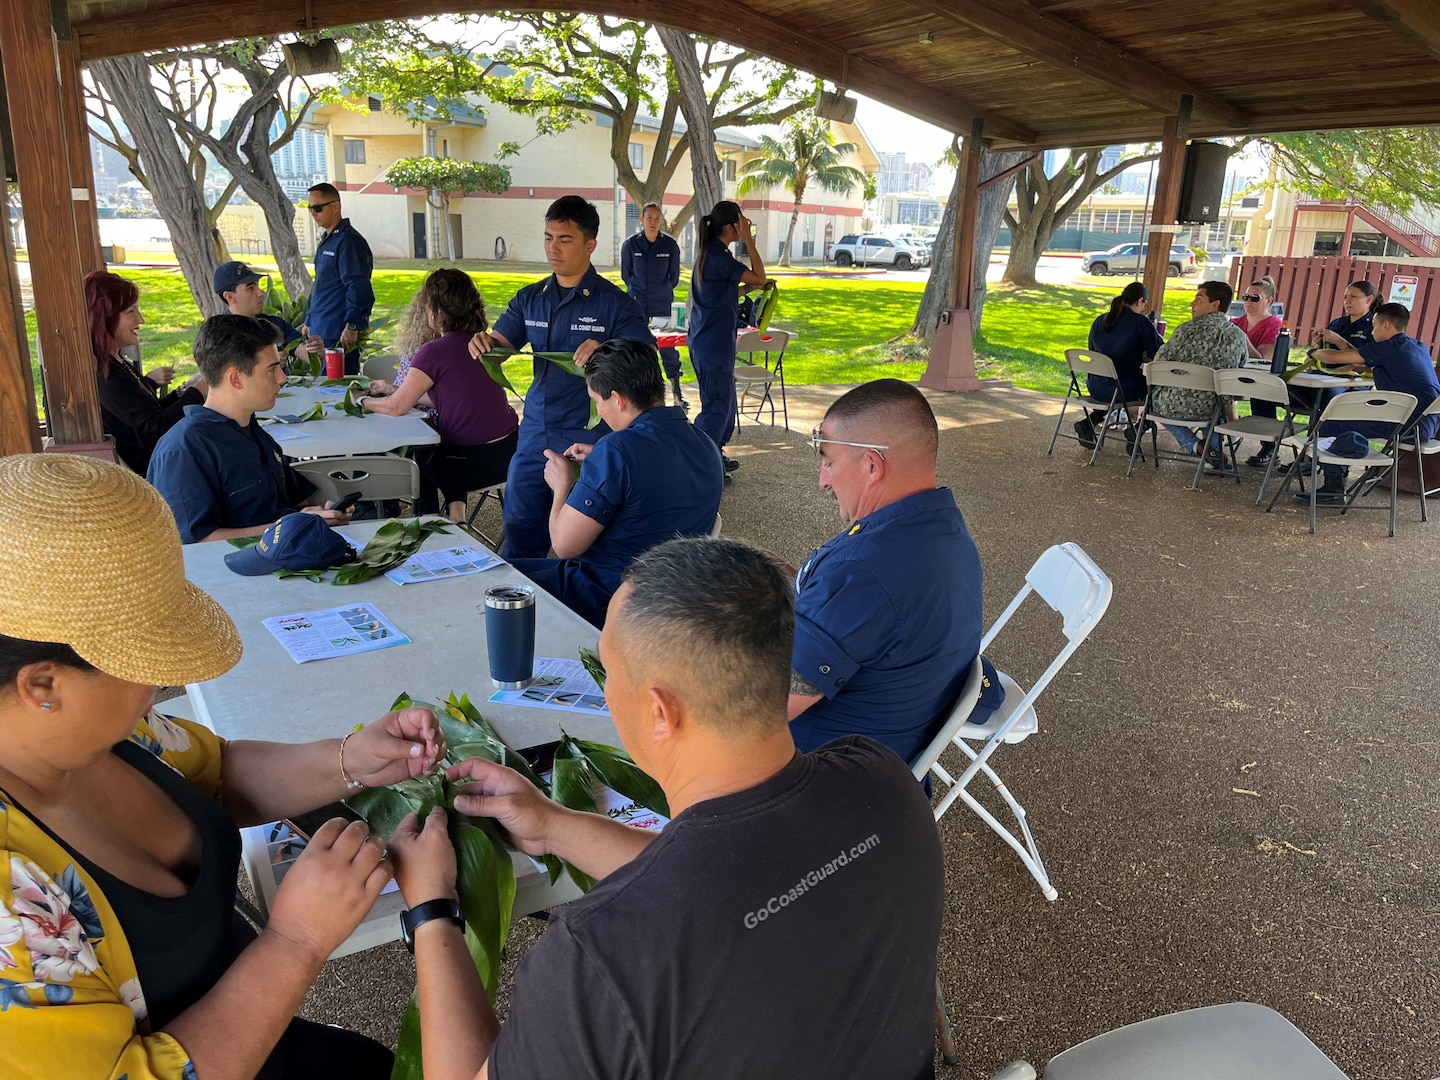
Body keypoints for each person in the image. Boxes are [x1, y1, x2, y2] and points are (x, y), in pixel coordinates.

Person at [385, 536, 945, 1080]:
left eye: (609, 675)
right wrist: (554, 825)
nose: (607, 694)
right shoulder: (881, 780)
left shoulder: (604, 954)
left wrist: (432, 908)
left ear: (659, 711)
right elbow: (721, 883)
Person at [0, 452, 446, 1080]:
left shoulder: (100, 727)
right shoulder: (10, 905)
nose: (165, 681)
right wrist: (296, 942)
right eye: (143, 660)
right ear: (43, 684)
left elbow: (215, 772)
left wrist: (350, 758)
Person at [786, 379, 985, 766]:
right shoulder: (944, 532)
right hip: (886, 773)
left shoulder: (862, 573)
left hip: (816, 786)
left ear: (872, 465)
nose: (823, 480)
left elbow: (755, 716)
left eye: (828, 460)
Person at [466, 195, 651, 560]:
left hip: (593, 438)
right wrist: (484, 345)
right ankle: (525, 606)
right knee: (520, 525)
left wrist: (607, 349)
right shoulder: (530, 299)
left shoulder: (617, 305)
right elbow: (500, 347)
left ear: (590, 244)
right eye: (549, 237)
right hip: (537, 434)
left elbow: (644, 363)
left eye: (565, 239)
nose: (554, 247)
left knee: (589, 539)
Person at [508, 338, 724, 627]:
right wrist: (603, 460)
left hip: (606, 596)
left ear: (618, 399)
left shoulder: (617, 450)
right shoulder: (705, 443)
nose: (600, 411)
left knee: (495, 578)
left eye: (597, 403)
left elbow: (564, 545)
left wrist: (563, 485)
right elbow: (656, 471)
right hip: (673, 597)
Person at [148, 314, 353, 543]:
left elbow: (294, 501)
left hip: (289, 556)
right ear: (236, 379)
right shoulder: (184, 450)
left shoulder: (251, 429)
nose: (282, 378)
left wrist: (319, 515)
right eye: (271, 369)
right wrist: (288, 527)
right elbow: (194, 542)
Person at [360, 269, 519, 522]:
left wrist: (362, 400)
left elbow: (395, 408)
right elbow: (455, 397)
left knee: (422, 452)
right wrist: (395, 390)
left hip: (467, 465)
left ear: (435, 312)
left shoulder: (432, 351)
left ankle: (432, 522)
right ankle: (457, 516)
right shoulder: (482, 345)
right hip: (511, 456)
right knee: (445, 441)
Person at [1304, 302, 1440, 504]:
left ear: (1386, 325)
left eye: (1374, 326)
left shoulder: (1389, 347)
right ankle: (1343, 468)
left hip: (1408, 425)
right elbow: (1390, 369)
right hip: (1426, 423)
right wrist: (1358, 368)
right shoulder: (1416, 346)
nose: (1372, 331)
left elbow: (1334, 357)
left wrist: (1313, 353)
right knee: (1344, 420)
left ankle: (1333, 489)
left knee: (1330, 424)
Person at [87, 270, 206, 475]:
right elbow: (159, 428)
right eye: (131, 312)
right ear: (105, 316)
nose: (140, 320)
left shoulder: (114, 361)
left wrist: (183, 391)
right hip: (155, 472)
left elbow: (150, 413)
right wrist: (198, 393)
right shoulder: (106, 375)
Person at [688, 200, 768, 476]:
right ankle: (699, 461)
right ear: (731, 227)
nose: (745, 225)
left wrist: (745, 288)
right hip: (712, 345)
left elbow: (723, 293)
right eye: (741, 221)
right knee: (717, 408)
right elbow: (759, 277)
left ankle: (714, 454)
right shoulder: (720, 257)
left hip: (709, 342)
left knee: (724, 405)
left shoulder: (711, 254)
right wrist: (749, 240)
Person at [1150, 280, 1248, 465]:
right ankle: (1213, 458)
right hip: (1216, 407)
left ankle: (1196, 446)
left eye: (1198, 299)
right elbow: (1240, 368)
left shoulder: (1185, 330)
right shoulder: (1239, 335)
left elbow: (1157, 365)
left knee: (1153, 401)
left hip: (1174, 405)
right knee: (1219, 402)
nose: (1191, 304)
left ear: (1215, 304)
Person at [1076, 280, 1163, 450]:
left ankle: (1089, 422)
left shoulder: (1100, 320)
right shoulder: (1139, 322)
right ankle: (1138, 428)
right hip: (1125, 388)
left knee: (1115, 387)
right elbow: (1158, 352)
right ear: (1140, 301)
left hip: (1096, 385)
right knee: (1158, 390)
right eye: (1144, 304)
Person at [303, 183, 374, 376]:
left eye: (318, 208)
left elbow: (358, 286)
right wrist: (310, 319)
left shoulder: (349, 241)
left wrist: (352, 324)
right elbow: (322, 286)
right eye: (310, 208)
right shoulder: (328, 239)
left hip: (339, 334)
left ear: (336, 206)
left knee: (336, 391)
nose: (313, 213)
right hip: (321, 331)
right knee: (322, 391)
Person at [620, 202, 686, 408]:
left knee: (667, 347)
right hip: (637, 304)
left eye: (657, 218)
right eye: (649, 218)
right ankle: (637, 395)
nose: (653, 222)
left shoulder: (669, 245)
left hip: (661, 304)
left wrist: (661, 290)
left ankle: (676, 392)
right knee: (637, 347)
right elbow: (626, 275)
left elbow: (673, 277)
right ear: (642, 218)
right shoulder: (631, 245)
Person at [213, 260, 323, 366]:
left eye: (258, 286)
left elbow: (307, 353)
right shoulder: (220, 335)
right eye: (250, 288)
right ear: (230, 297)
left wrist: (315, 350)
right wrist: (267, 365)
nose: (261, 293)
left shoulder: (275, 324)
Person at [1313, 279, 1379, 352]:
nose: (1347, 301)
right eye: (1345, 297)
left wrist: (1338, 341)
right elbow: (1316, 353)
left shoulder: (1375, 326)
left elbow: (1368, 359)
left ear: (1369, 299)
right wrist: (1319, 344)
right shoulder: (1336, 324)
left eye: (1353, 297)